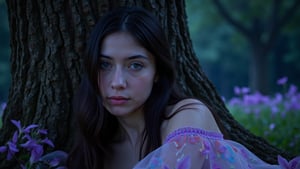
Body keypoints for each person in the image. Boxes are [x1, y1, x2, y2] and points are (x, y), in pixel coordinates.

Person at [67, 6, 300, 169]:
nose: (117, 82)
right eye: (104, 65)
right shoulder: (94, 151)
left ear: (157, 72)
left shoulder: (188, 116)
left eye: (135, 65)